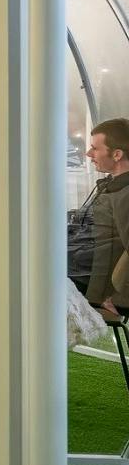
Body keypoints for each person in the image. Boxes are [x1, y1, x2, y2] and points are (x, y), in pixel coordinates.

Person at [69, 117, 129, 316]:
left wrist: (119, 299)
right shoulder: (112, 186)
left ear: (117, 154)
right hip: (76, 267)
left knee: (15, 271)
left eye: (95, 148)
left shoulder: (124, 194)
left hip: (85, 279)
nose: (88, 154)